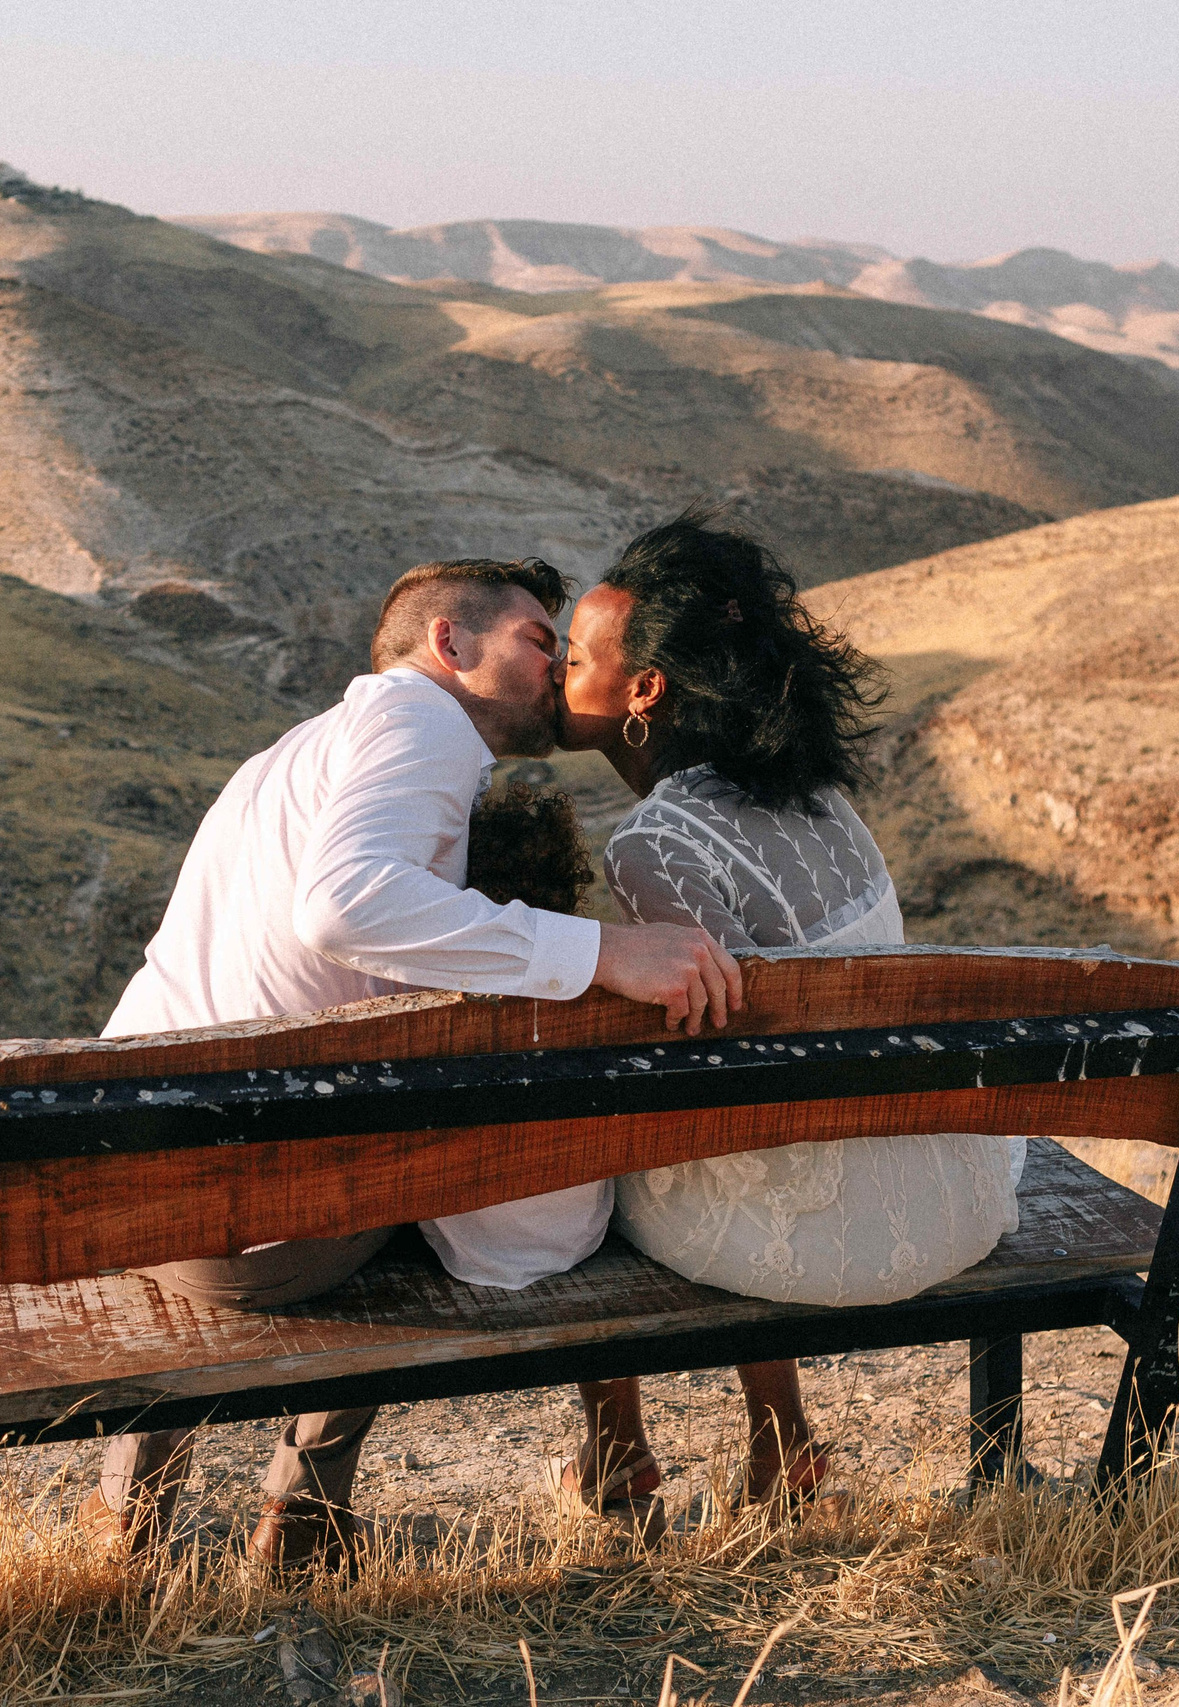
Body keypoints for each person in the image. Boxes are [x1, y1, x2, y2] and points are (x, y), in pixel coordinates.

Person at [83, 555, 745, 1574]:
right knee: (459, 1194)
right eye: (536, 640)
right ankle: (302, 1515)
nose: (557, 661)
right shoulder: (420, 724)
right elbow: (346, 907)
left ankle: (130, 1524)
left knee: (388, 1146)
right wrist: (602, 952)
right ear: (449, 645)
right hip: (257, 1229)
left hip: (131, 1177)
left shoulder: (288, 758)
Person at [550, 508, 1022, 1520]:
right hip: (949, 1187)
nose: (558, 673)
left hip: (832, 1234)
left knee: (578, 1159)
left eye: (577, 657)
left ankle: (614, 1443)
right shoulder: (815, 795)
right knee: (753, 1123)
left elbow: (717, 1071)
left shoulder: (652, 845)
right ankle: (781, 1440)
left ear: (644, 693)